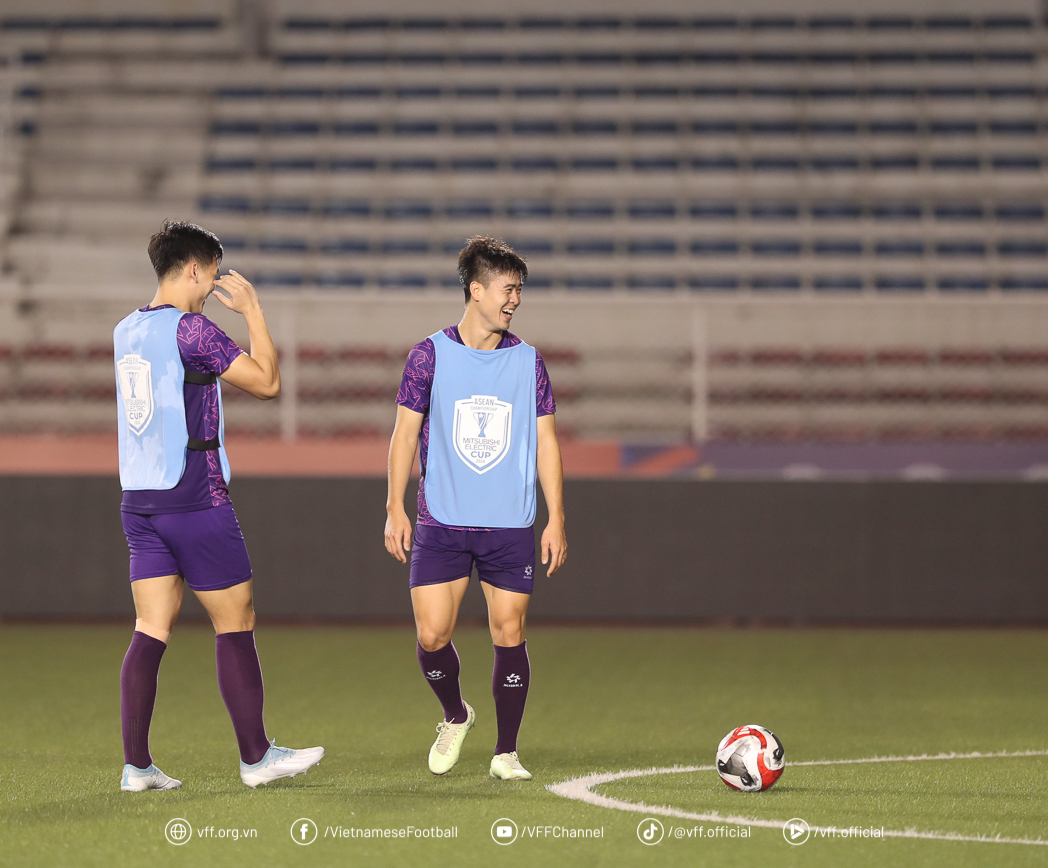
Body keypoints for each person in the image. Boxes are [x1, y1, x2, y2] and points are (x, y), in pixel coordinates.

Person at [115, 220, 323, 791]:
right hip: (195, 496)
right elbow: (267, 383)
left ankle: (137, 766)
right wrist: (253, 312)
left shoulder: (125, 330)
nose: (211, 289)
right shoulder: (192, 331)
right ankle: (257, 758)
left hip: (140, 501)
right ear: (191, 270)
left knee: (150, 627)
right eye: (209, 277)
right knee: (236, 620)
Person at [384, 235, 567, 781]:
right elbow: (403, 435)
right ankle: (455, 714)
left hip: (510, 523)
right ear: (477, 289)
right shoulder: (428, 354)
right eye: (507, 289)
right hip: (442, 518)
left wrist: (557, 516)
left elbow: (548, 443)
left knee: (508, 631)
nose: (515, 300)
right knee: (431, 635)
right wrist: (394, 506)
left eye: (519, 291)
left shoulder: (529, 362)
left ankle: (506, 751)